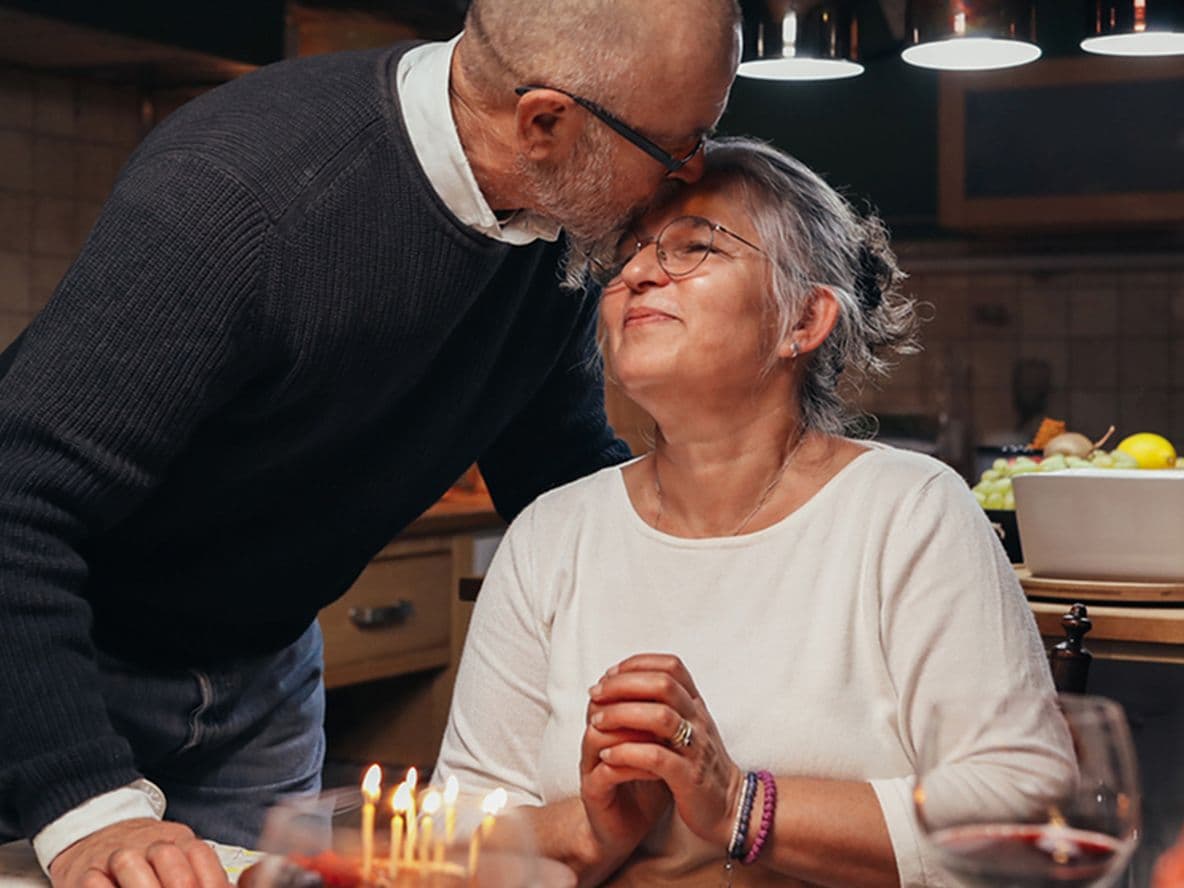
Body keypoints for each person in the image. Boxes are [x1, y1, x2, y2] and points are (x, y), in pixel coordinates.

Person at [0, 1, 742, 885]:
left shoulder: (563, 216)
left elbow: (554, 465)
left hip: (263, 674)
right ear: (545, 123)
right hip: (53, 663)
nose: (688, 179)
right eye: (676, 149)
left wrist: (730, 571)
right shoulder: (237, 196)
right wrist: (87, 807)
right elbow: (15, 501)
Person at [435, 138, 1065, 886]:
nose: (635, 274)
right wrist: (594, 827)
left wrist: (740, 804)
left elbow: (1023, 807)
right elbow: (456, 836)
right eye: (629, 253)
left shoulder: (909, 512)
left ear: (804, 318)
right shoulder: (551, 533)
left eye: (694, 246)